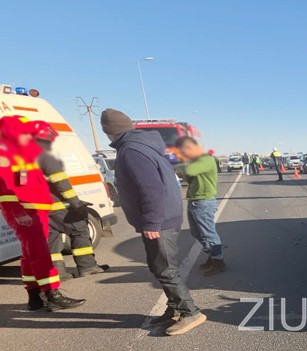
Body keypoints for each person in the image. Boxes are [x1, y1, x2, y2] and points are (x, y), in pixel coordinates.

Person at [101, 108, 206, 336]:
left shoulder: (131, 150)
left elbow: (152, 189)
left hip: (160, 220)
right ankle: (174, 309)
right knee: (160, 266)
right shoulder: (142, 145)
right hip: (165, 217)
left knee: (165, 268)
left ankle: (190, 313)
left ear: (108, 132)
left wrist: (151, 222)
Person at [0, 115, 85, 311]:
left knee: (30, 252)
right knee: (39, 251)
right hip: (24, 208)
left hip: (28, 207)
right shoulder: (9, 152)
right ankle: (51, 293)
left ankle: (34, 294)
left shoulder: (19, 152)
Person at [29, 121, 108, 279]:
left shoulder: (25, 158)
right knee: (79, 229)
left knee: (52, 239)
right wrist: (76, 204)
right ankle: (88, 266)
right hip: (57, 206)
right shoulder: (45, 156)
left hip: (39, 208)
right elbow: (62, 184)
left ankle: (58, 272)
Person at [174, 136, 226, 275]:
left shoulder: (205, 158)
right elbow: (187, 176)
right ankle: (212, 255)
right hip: (195, 200)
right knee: (196, 232)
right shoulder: (196, 161)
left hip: (203, 202)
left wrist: (178, 163)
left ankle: (218, 261)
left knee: (208, 233)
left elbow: (188, 171)